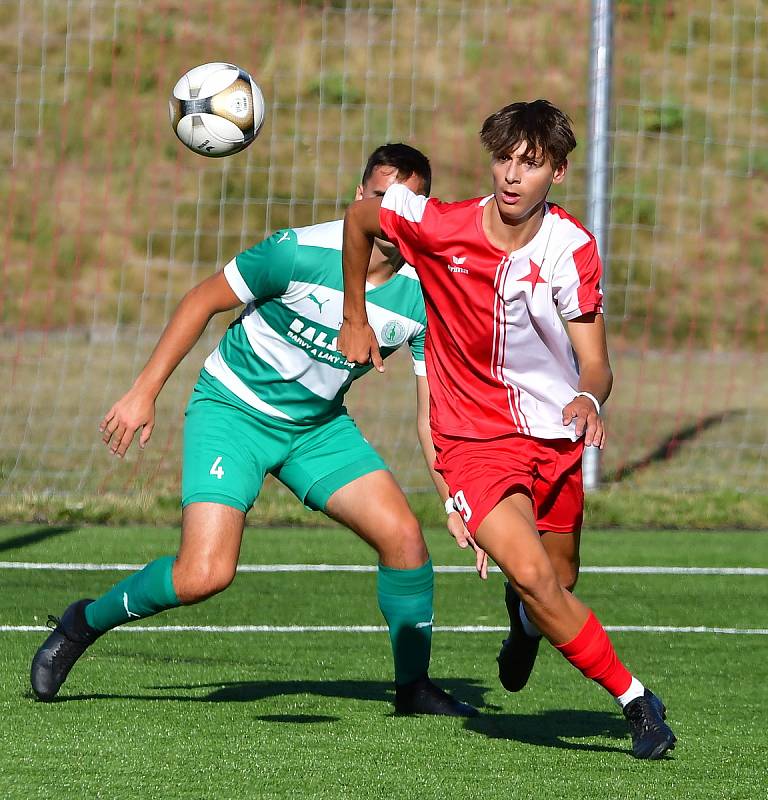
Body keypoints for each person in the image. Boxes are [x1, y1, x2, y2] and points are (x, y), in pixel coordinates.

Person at [30, 143, 477, 718]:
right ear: (357, 198)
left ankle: (413, 687)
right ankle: (83, 621)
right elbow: (201, 301)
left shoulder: (423, 292)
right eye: (379, 196)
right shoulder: (296, 252)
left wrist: (453, 495)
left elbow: (429, 412)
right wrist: (145, 391)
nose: (389, 212)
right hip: (232, 410)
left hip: (317, 430)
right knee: (203, 575)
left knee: (406, 540)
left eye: (406, 202)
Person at [338, 101, 677, 759]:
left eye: (530, 163)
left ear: (558, 170)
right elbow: (359, 219)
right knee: (532, 573)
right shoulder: (438, 225)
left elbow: (597, 363)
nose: (512, 176)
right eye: (504, 159)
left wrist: (586, 396)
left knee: (558, 580)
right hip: (473, 441)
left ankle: (525, 625)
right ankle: (638, 702)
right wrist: (356, 315)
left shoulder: (571, 248)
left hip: (552, 436)